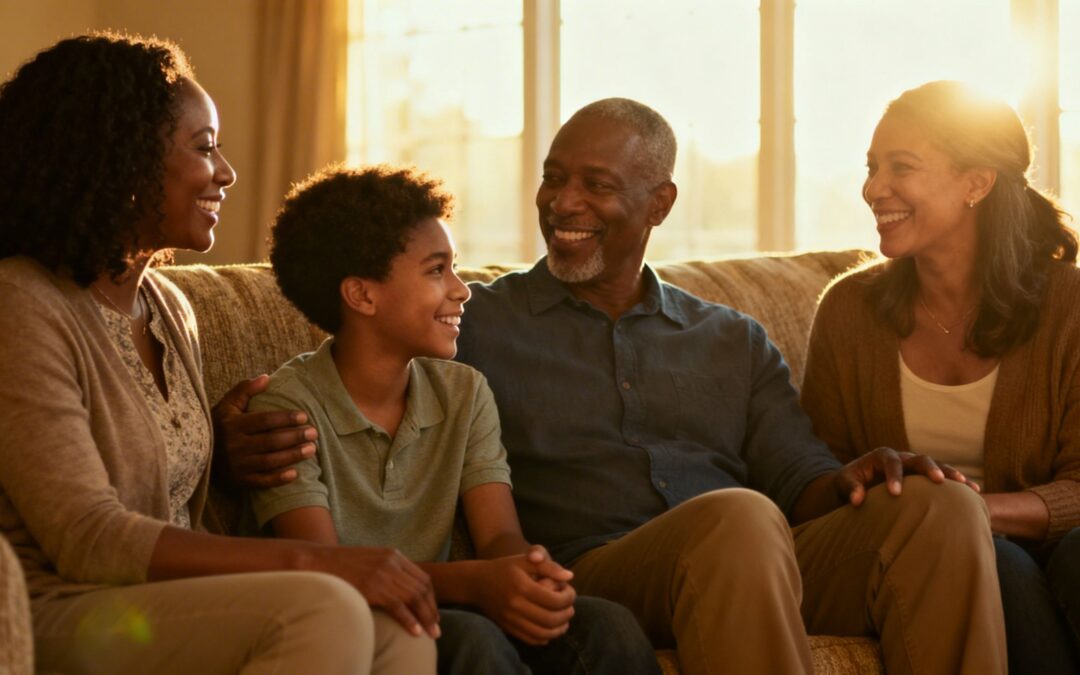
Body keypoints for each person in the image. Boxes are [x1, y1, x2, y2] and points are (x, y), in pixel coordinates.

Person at [224, 97, 1007, 674]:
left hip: (756, 564)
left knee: (940, 507)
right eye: (553, 179)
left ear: (659, 202)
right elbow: (356, 361)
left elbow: (800, 479)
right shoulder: (476, 325)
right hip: (598, 573)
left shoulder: (731, 338)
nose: (563, 203)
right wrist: (231, 431)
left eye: (596, 184)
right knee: (736, 517)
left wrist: (859, 477)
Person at [0, 33, 437, 674]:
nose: (227, 173)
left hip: (160, 606)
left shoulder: (169, 307)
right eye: (205, 148)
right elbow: (89, 537)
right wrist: (321, 561)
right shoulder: (21, 303)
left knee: (399, 625)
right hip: (61, 609)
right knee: (326, 606)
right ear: (125, 160)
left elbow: (157, 474)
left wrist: (224, 452)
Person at [245, 164, 659, 675]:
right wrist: (475, 584)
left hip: (450, 602)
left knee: (607, 626)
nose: (462, 290)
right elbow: (326, 569)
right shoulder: (288, 408)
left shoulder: (464, 391)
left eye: (454, 268)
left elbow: (498, 536)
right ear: (363, 295)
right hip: (356, 619)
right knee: (473, 641)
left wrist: (526, 573)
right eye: (437, 270)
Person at [801, 80, 1080, 675]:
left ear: (976, 183)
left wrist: (970, 511)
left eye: (901, 167)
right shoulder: (849, 310)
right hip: (931, 557)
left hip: (1056, 547)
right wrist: (937, 518)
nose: (873, 189)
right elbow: (820, 478)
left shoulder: (1070, 306)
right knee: (999, 565)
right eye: (872, 168)